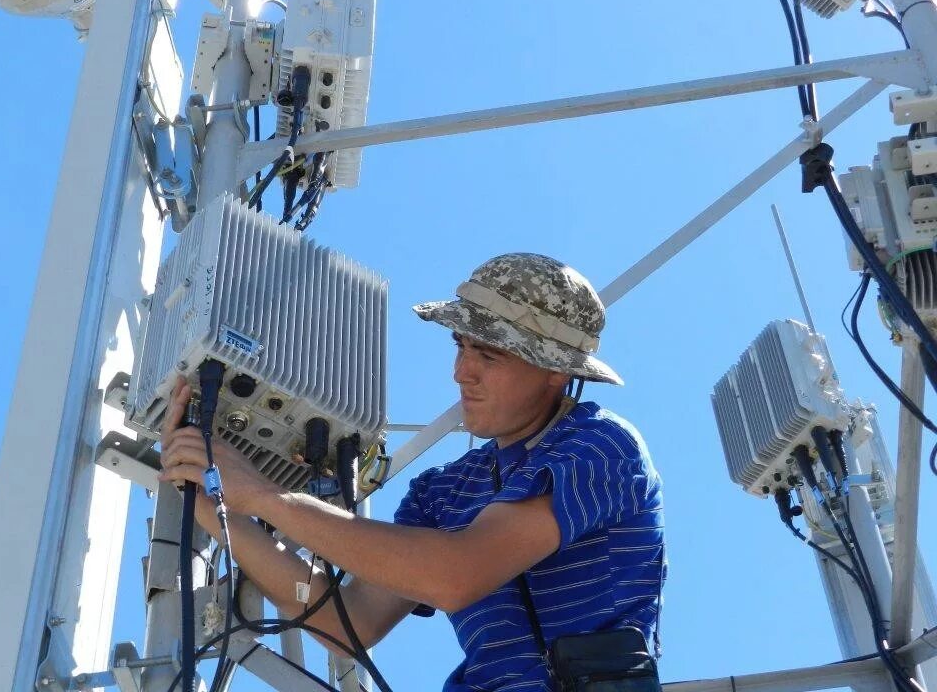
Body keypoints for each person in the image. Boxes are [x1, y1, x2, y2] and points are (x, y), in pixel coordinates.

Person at [160, 253, 666, 692]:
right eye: (460, 346)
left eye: (487, 354)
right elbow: (347, 621)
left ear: (557, 371)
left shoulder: (600, 447)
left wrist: (268, 499)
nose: (461, 372)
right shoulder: (445, 491)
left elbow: (456, 574)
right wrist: (213, 505)